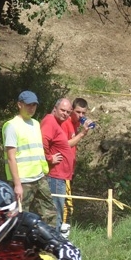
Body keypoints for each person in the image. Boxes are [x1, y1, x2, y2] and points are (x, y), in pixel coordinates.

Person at [2, 90, 56, 226]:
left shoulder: (36, 124)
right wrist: (17, 185)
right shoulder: (12, 126)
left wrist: (43, 172)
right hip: (23, 181)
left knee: (50, 214)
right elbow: (11, 157)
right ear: (19, 105)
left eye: (34, 105)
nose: (31, 108)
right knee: (19, 219)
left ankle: (50, 239)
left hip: (39, 178)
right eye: (28, 105)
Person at [60, 98, 94, 237]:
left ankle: (63, 233)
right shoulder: (65, 123)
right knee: (67, 205)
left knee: (66, 204)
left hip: (69, 170)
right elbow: (65, 144)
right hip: (61, 170)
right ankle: (62, 236)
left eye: (83, 113)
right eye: (78, 112)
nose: (80, 115)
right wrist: (82, 134)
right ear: (71, 110)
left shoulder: (75, 123)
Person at [41, 98, 76, 233]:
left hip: (60, 176)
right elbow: (43, 141)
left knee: (58, 210)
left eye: (68, 112)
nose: (65, 114)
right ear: (55, 108)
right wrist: (49, 158)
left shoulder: (57, 123)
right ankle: (53, 238)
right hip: (55, 175)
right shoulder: (50, 121)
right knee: (55, 212)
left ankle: (54, 236)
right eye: (62, 110)